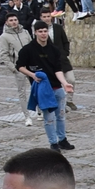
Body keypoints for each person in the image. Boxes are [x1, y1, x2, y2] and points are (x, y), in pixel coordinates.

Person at [17, 20, 74, 150]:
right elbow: (20, 66)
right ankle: (53, 142)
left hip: (56, 87)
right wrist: (32, 75)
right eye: (40, 31)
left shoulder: (54, 49)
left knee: (60, 115)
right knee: (49, 118)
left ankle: (62, 139)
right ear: (35, 32)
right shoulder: (27, 50)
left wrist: (64, 83)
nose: (43, 34)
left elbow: (57, 69)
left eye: (45, 31)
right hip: (42, 90)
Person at [0, 12, 36, 126]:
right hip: (18, 67)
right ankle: (27, 116)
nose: (14, 22)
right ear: (7, 22)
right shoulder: (4, 37)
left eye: (15, 19)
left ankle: (40, 111)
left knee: (36, 89)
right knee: (22, 93)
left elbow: (32, 46)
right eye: (11, 20)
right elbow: (4, 54)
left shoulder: (25, 32)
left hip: (31, 66)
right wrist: (13, 68)